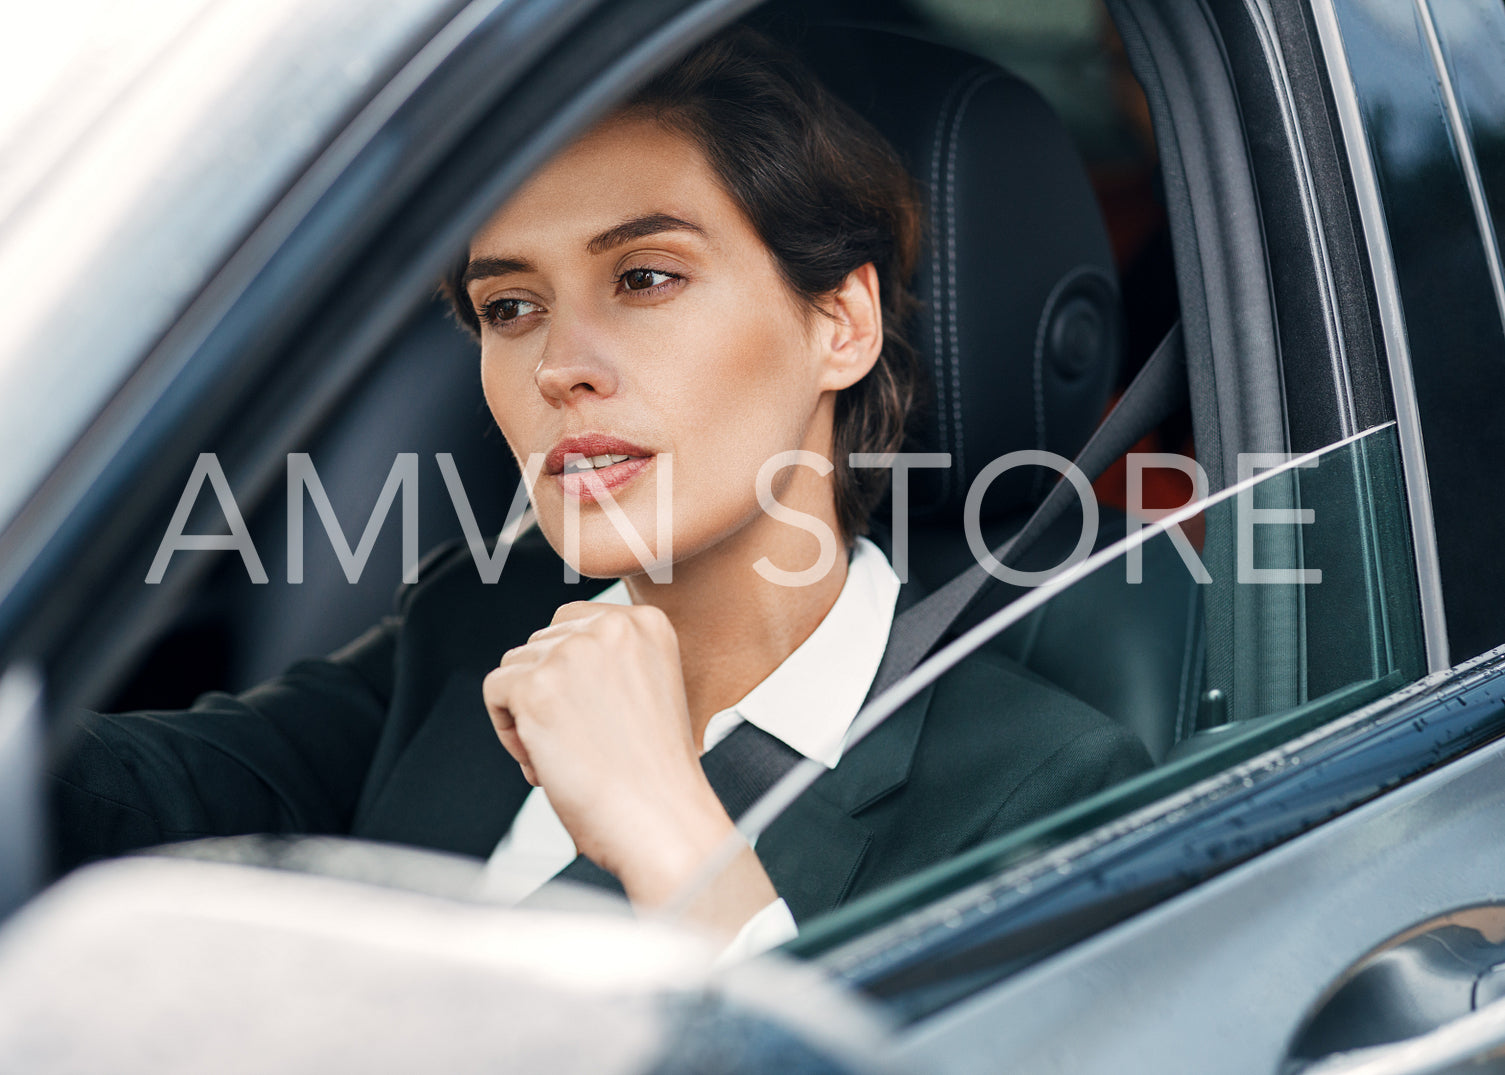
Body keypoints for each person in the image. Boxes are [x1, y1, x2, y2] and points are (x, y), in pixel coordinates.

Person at [49, 28, 1151, 954]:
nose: (557, 364)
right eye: (510, 307)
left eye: (644, 277)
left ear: (840, 322)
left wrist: (668, 825)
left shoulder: (1040, 784)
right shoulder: (475, 624)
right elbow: (133, 794)